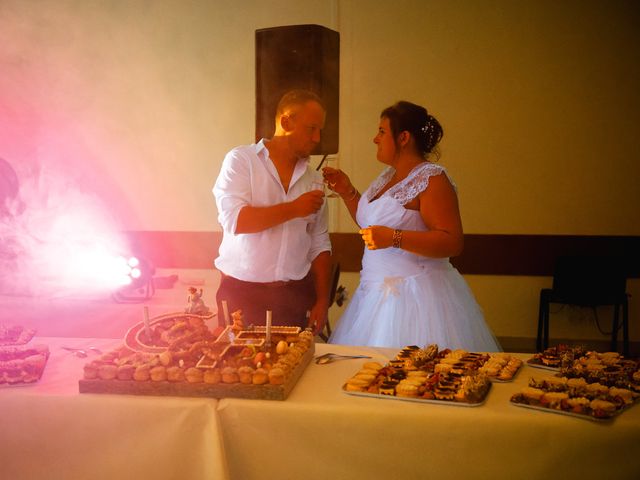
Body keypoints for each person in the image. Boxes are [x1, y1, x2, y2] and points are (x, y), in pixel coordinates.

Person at [323, 101, 501, 351]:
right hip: (373, 295)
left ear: (403, 137)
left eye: (382, 131)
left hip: (416, 299)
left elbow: (452, 241)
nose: (375, 139)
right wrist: (348, 192)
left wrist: (394, 238)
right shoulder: (387, 177)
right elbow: (372, 225)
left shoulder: (432, 177)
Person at [213, 90, 332, 334]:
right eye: (311, 128)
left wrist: (322, 300)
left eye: (320, 130)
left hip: (294, 297)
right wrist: (295, 209)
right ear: (286, 122)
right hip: (241, 294)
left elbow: (320, 242)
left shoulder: (314, 179)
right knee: (239, 371)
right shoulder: (241, 161)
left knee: (292, 370)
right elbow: (235, 220)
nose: (317, 138)